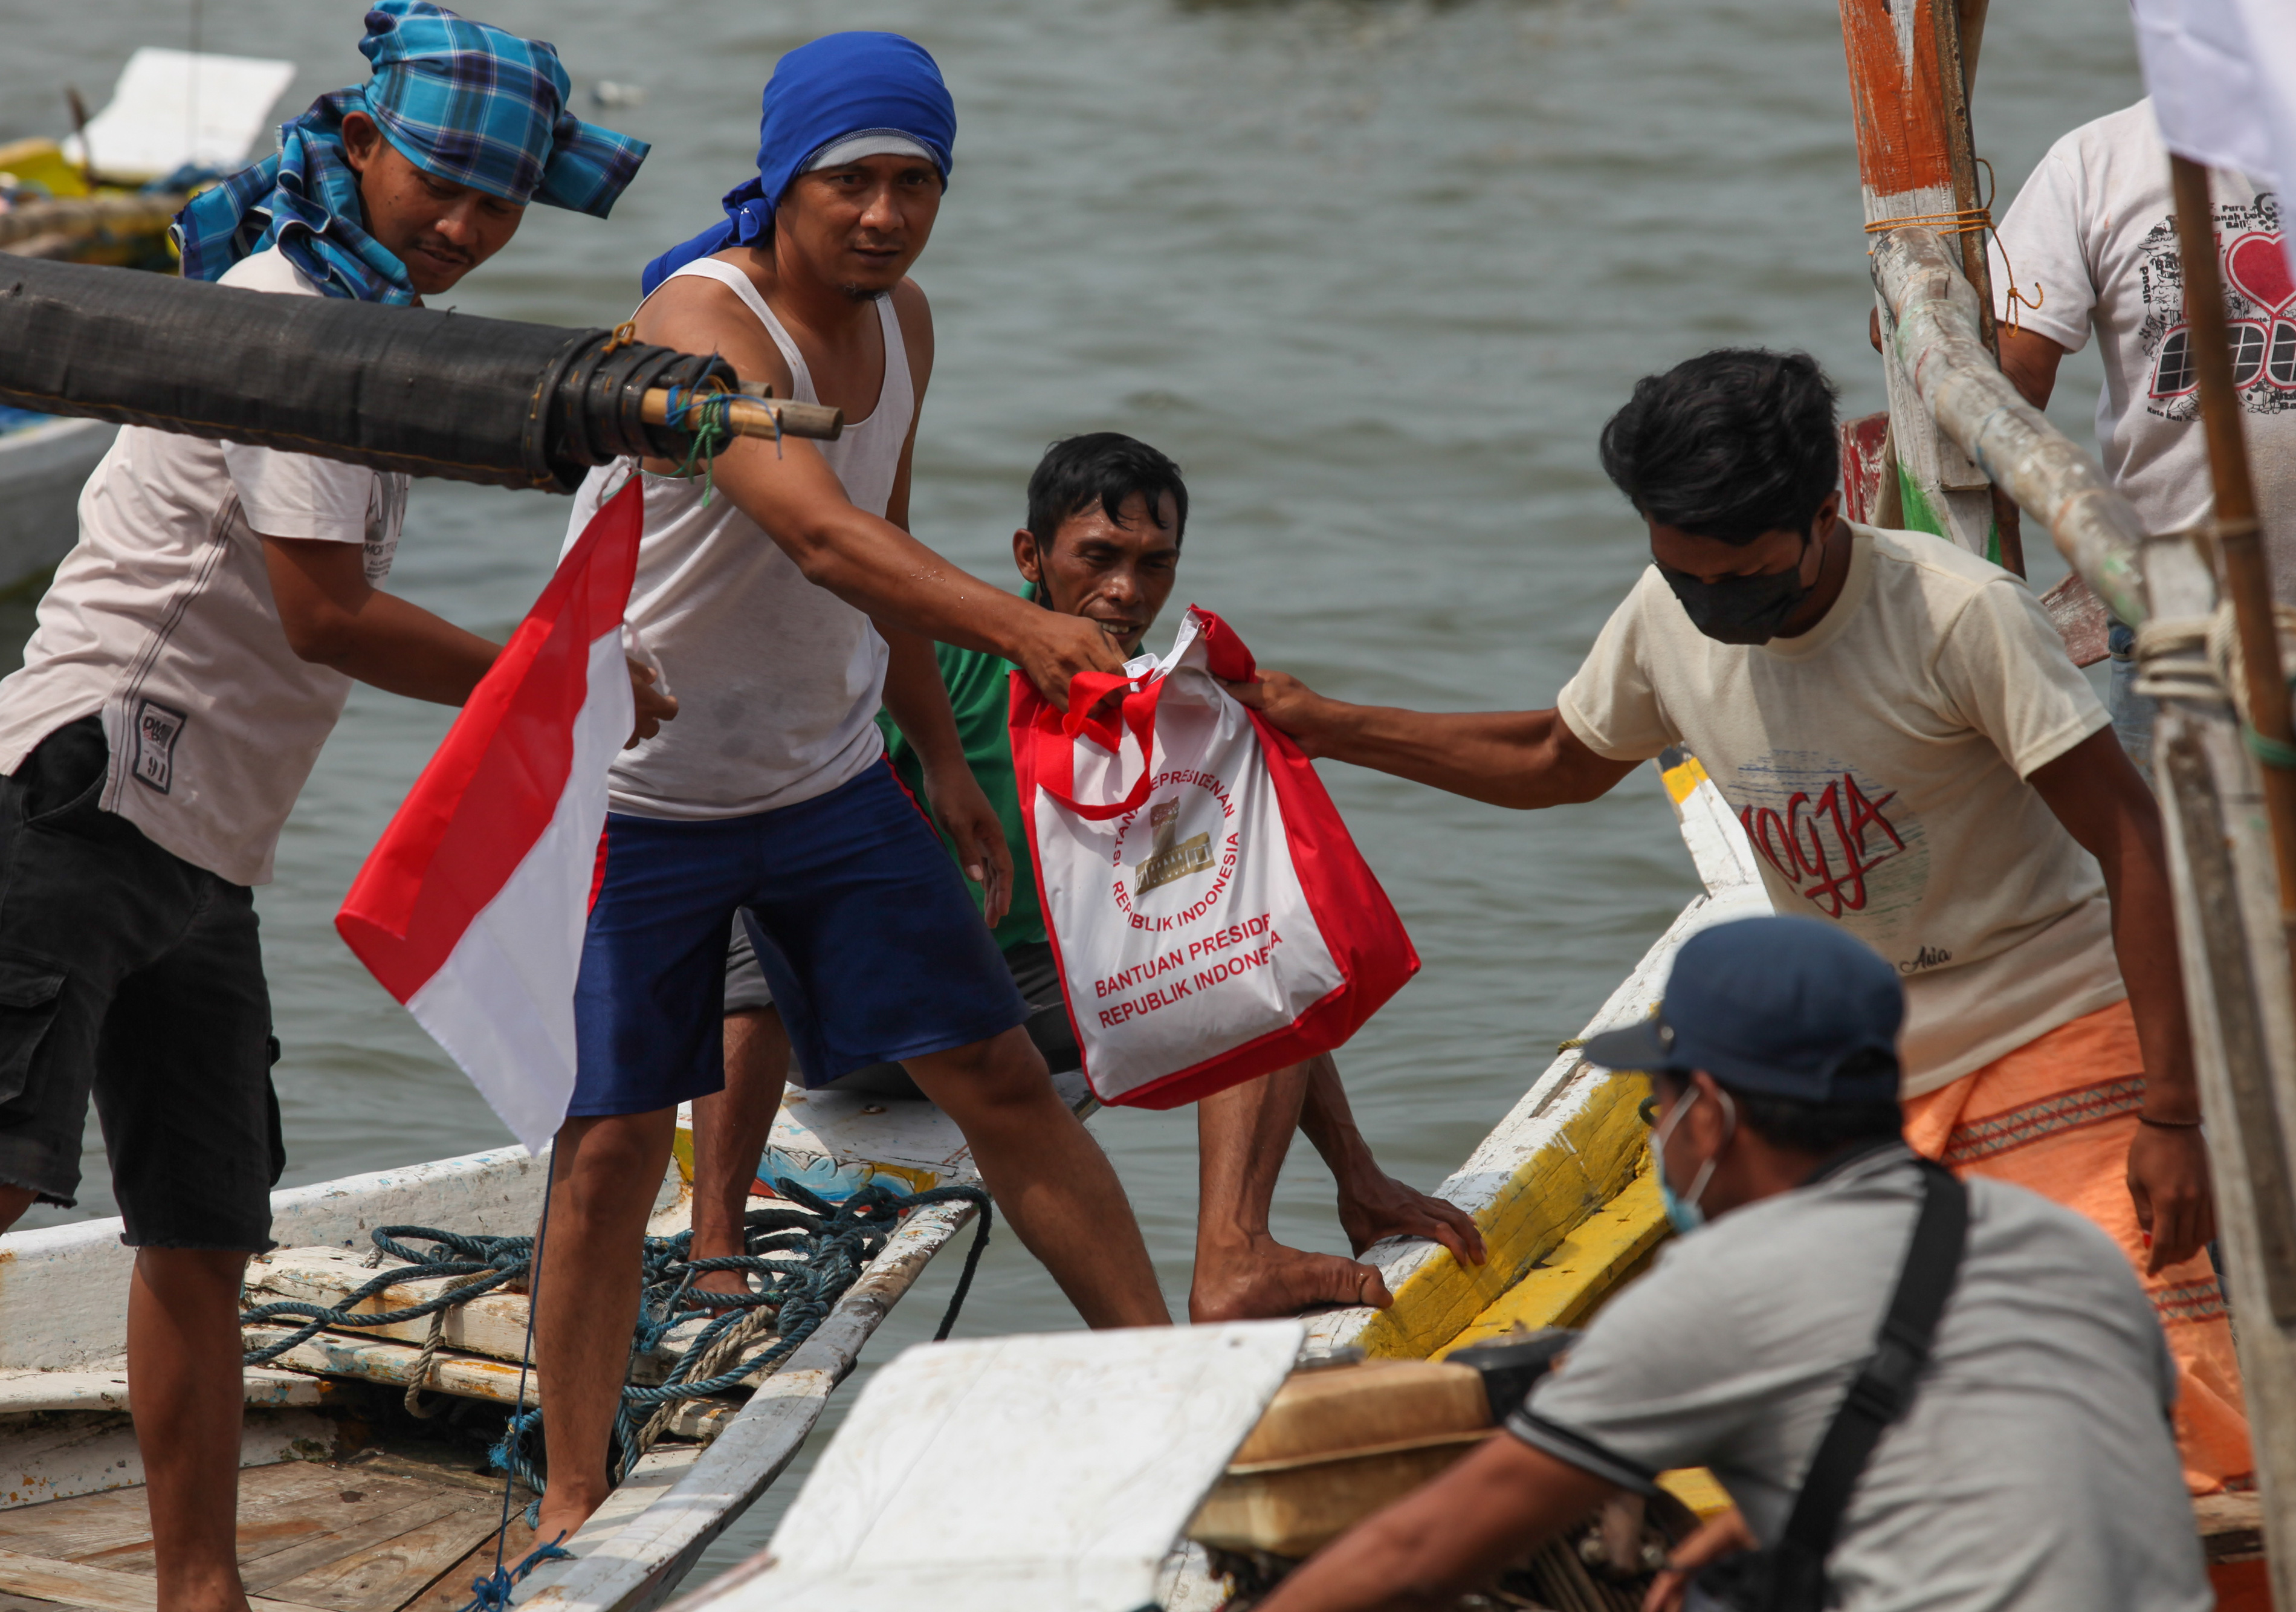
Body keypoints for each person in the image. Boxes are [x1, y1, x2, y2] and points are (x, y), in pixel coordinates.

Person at [1233, 348, 2254, 1492]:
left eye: (1746, 574)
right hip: (1851, 1078)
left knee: (2158, 1382)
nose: (1715, 605)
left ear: (1824, 516)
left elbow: (2137, 843)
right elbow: (1560, 760)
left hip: (2052, 1017)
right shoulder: (1664, 622)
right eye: (1686, 576)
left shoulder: (1957, 618)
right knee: (1857, 1409)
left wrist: (2175, 1112)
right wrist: (1327, 724)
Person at [0, 7, 653, 1610]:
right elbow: (326, 612)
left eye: (496, 207)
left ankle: (200, 1588)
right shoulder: (295, 318)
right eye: (441, 183)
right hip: (79, 799)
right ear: (361, 145)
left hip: (204, 853)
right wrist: (549, 685)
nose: (464, 226)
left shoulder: (369, 326)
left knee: (205, 1230)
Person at [534, 34, 1171, 1541]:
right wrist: (1026, 629)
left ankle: (1166, 1383)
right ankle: (572, 1490)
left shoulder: (904, 326)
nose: (884, 216)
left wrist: (938, 757)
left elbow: (879, 533)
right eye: (852, 182)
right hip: (643, 792)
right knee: (618, 1139)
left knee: (1002, 1082)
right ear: (785, 181)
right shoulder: (702, 314)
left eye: (915, 183)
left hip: (826, 784)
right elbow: (814, 532)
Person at [688, 432, 1485, 1323]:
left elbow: (1216, 924)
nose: (1127, 592)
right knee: (758, 885)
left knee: (1250, 930)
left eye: (1154, 566)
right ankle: (714, 1243)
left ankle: (1238, 1250)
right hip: (869, 1023)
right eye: (1099, 559)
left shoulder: (1164, 701)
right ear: (1031, 557)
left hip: (1022, 1014)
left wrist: (1355, 1172)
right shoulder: (939, 659)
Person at [1259, 916, 2214, 1612]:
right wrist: (1772, 1516)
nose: (1659, 1133)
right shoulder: (2060, 1242)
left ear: (1707, 1115)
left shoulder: (1721, 1290)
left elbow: (1421, 1555)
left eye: (1657, 1104)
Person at [1990, 98, 2296, 1346]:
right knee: (2192, 953)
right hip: (2177, 625)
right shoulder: (2097, 165)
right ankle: (2228, 1261)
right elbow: (2011, 376)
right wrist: (2002, 584)